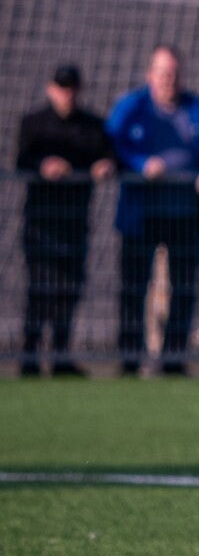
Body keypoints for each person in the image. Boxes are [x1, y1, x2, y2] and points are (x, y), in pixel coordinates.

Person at [106, 46, 199, 376]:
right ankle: (130, 359)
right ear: (150, 76)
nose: (169, 80)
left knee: (184, 288)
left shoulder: (198, 108)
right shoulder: (132, 107)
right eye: (163, 73)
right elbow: (111, 142)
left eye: (174, 74)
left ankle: (173, 359)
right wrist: (140, 163)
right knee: (134, 287)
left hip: (185, 214)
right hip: (142, 215)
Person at [14, 64, 114, 376]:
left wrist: (105, 166)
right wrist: (43, 166)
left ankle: (61, 355)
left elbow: (109, 156)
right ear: (50, 88)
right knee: (40, 288)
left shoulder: (92, 126)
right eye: (61, 87)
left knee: (69, 288)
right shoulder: (34, 124)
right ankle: (30, 356)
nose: (66, 94)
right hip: (41, 223)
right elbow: (22, 159)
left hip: (74, 221)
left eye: (71, 88)